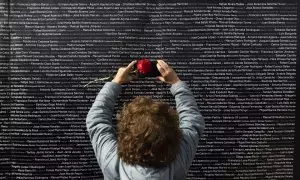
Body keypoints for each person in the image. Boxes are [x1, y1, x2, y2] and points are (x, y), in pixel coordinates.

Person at [86, 60, 205, 180]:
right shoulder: (179, 160)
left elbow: (96, 120)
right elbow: (192, 121)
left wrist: (116, 82)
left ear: (124, 133)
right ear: (173, 132)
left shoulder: (112, 162)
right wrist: (176, 82)